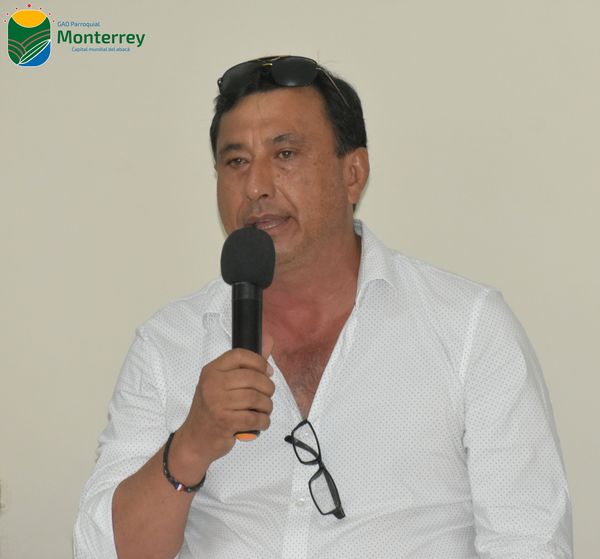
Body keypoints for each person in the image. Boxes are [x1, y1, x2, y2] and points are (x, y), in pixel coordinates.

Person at [74, 55, 572, 558]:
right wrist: (191, 444)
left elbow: (528, 541)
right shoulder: (169, 343)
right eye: (236, 162)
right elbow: (101, 552)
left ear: (353, 173)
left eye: (285, 153)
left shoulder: (468, 326)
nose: (256, 187)